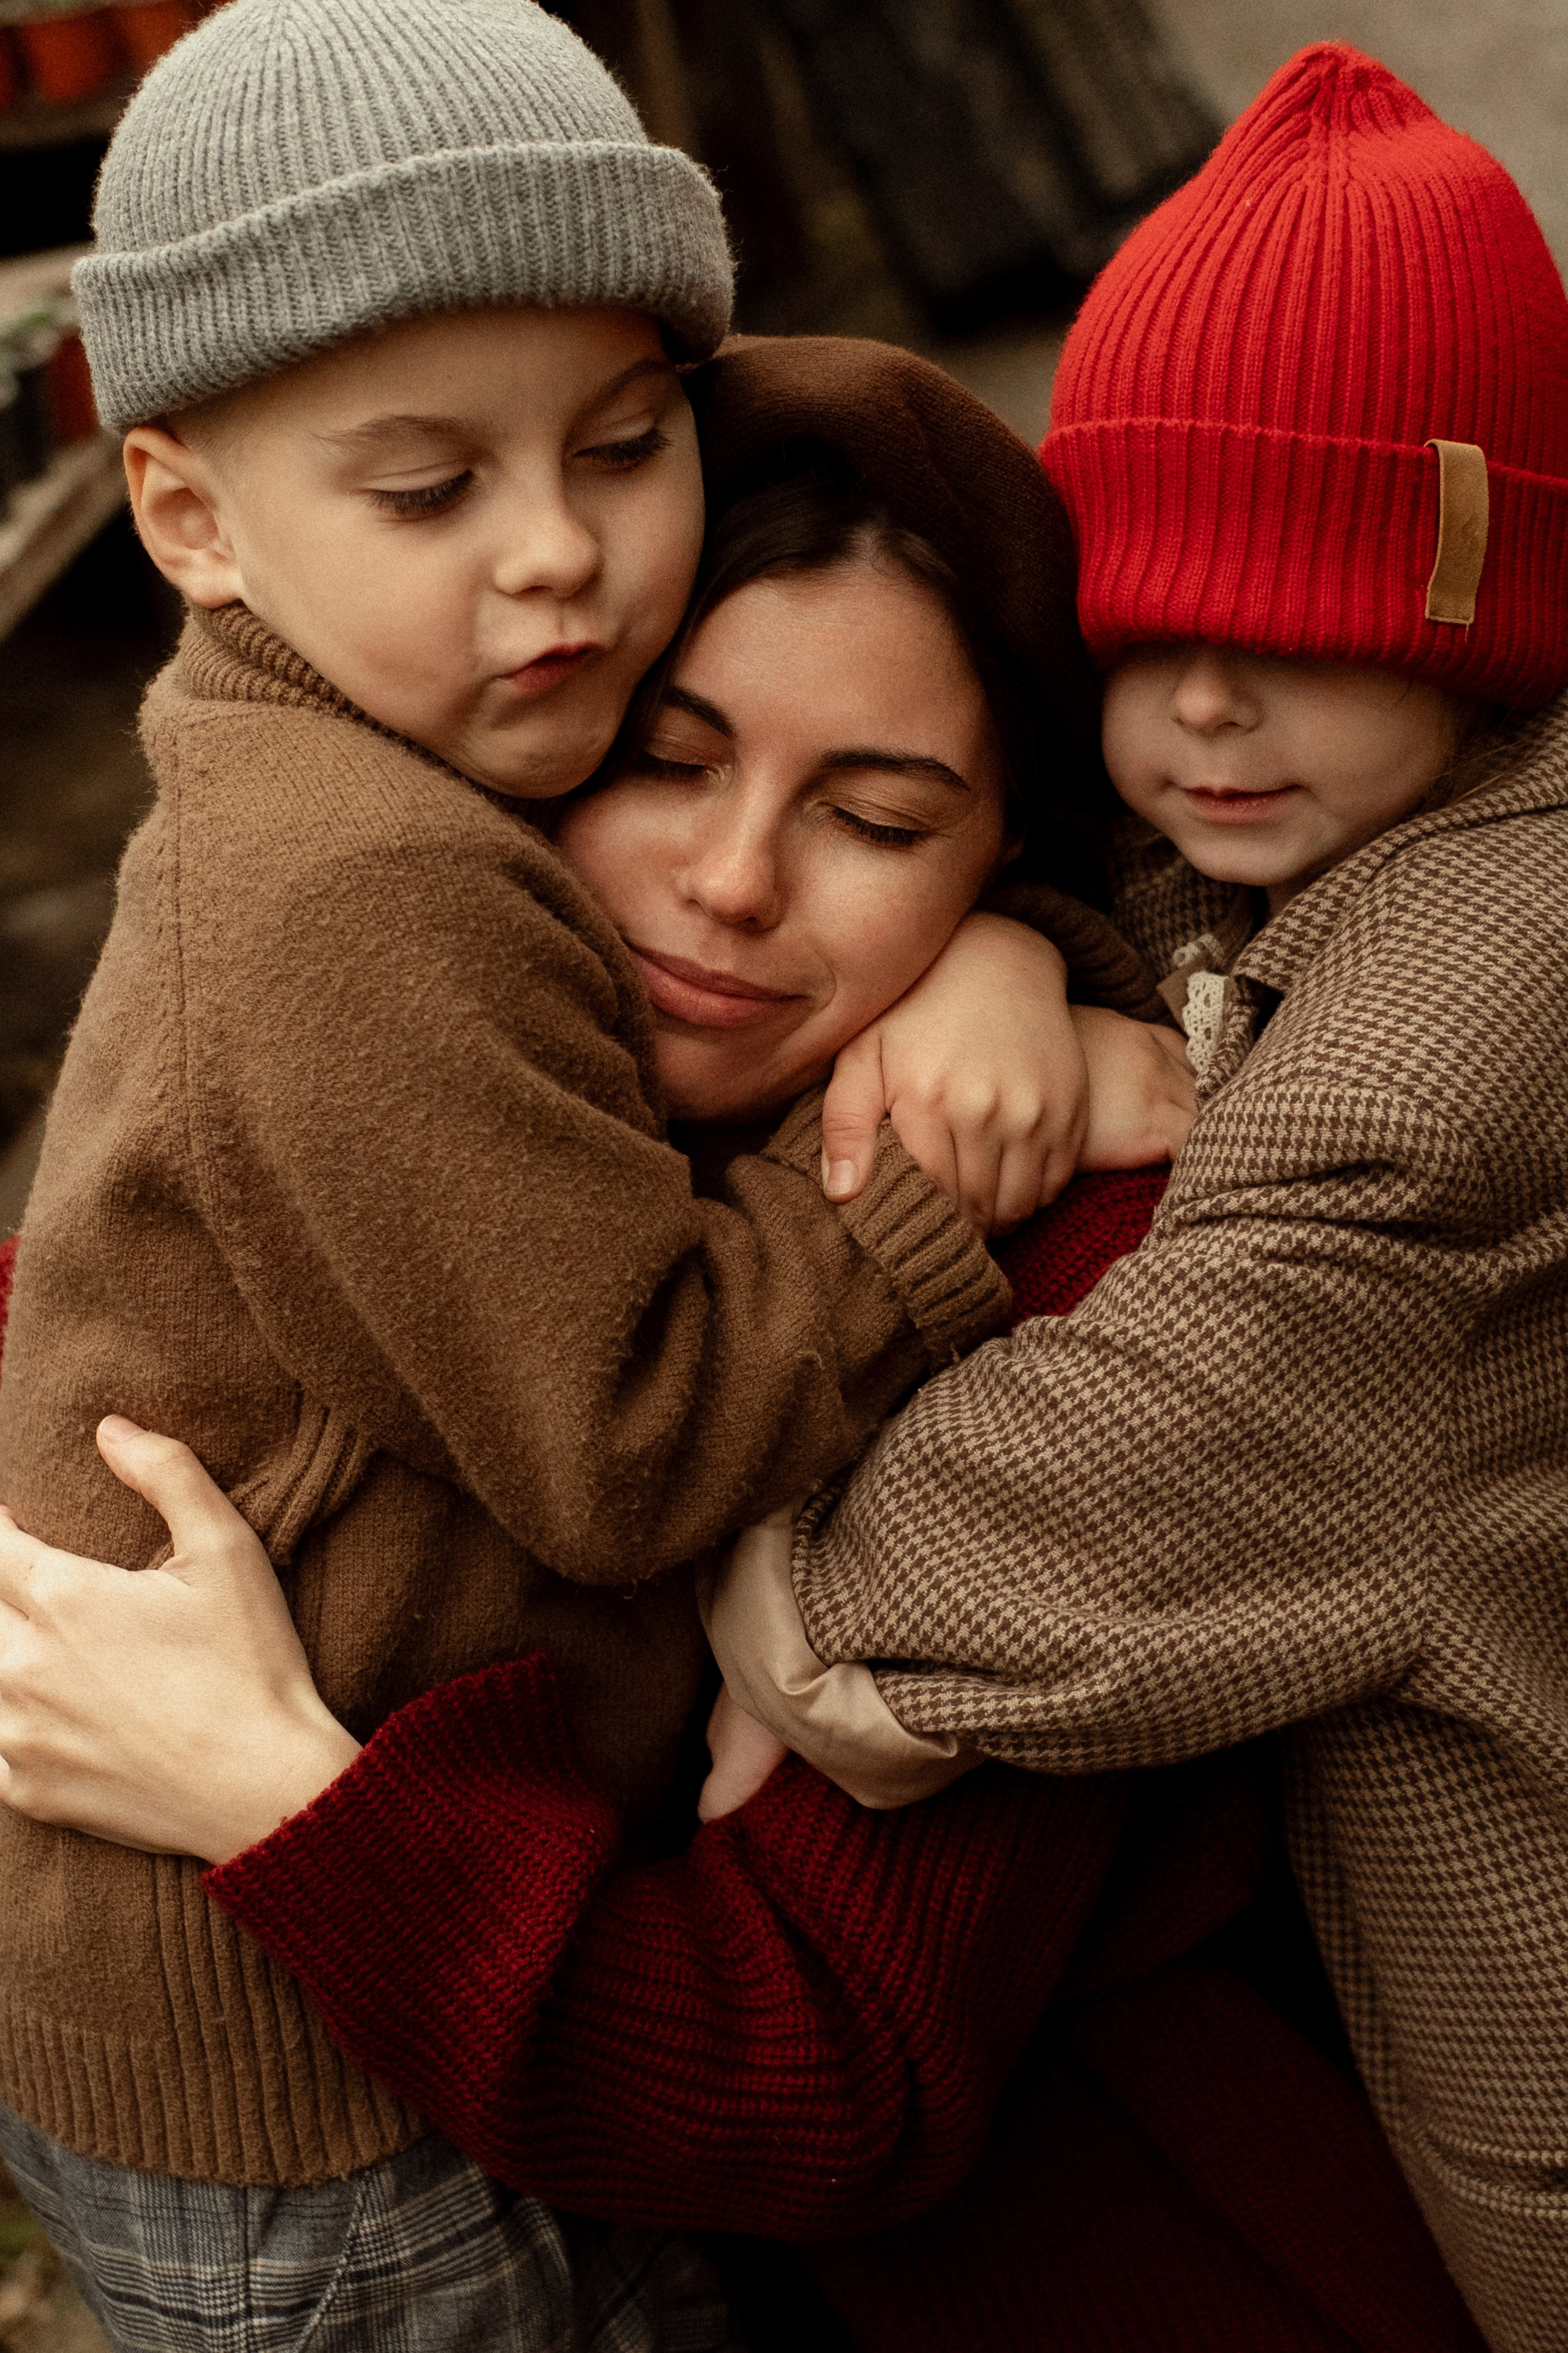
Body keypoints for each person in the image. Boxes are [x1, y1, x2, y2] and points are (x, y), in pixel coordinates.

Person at [0, 361, 1485, 2353]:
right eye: (663, 759)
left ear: (1003, 841)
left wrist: (275, 1790)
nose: (732, 883)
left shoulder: (1073, 1276)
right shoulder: (475, 1021)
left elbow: (820, 2076)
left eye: (877, 818)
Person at [0, 2, 1174, 2343]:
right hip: (324, 2096)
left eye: (627, 446)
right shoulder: (370, 880)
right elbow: (627, 1430)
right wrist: (920, 1185)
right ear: (188, 515)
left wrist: (1022, 964)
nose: (558, 561)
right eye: (432, 491)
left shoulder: (385, 739)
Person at [695, 45, 1568, 2353]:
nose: (1198, 704)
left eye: (1298, 621)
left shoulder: (1434, 1066)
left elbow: (998, 1567)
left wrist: (717, 1552)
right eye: (1140, 622)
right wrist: (1022, 959)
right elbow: (1175, 896)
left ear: (1481, 604)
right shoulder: (1418, 818)